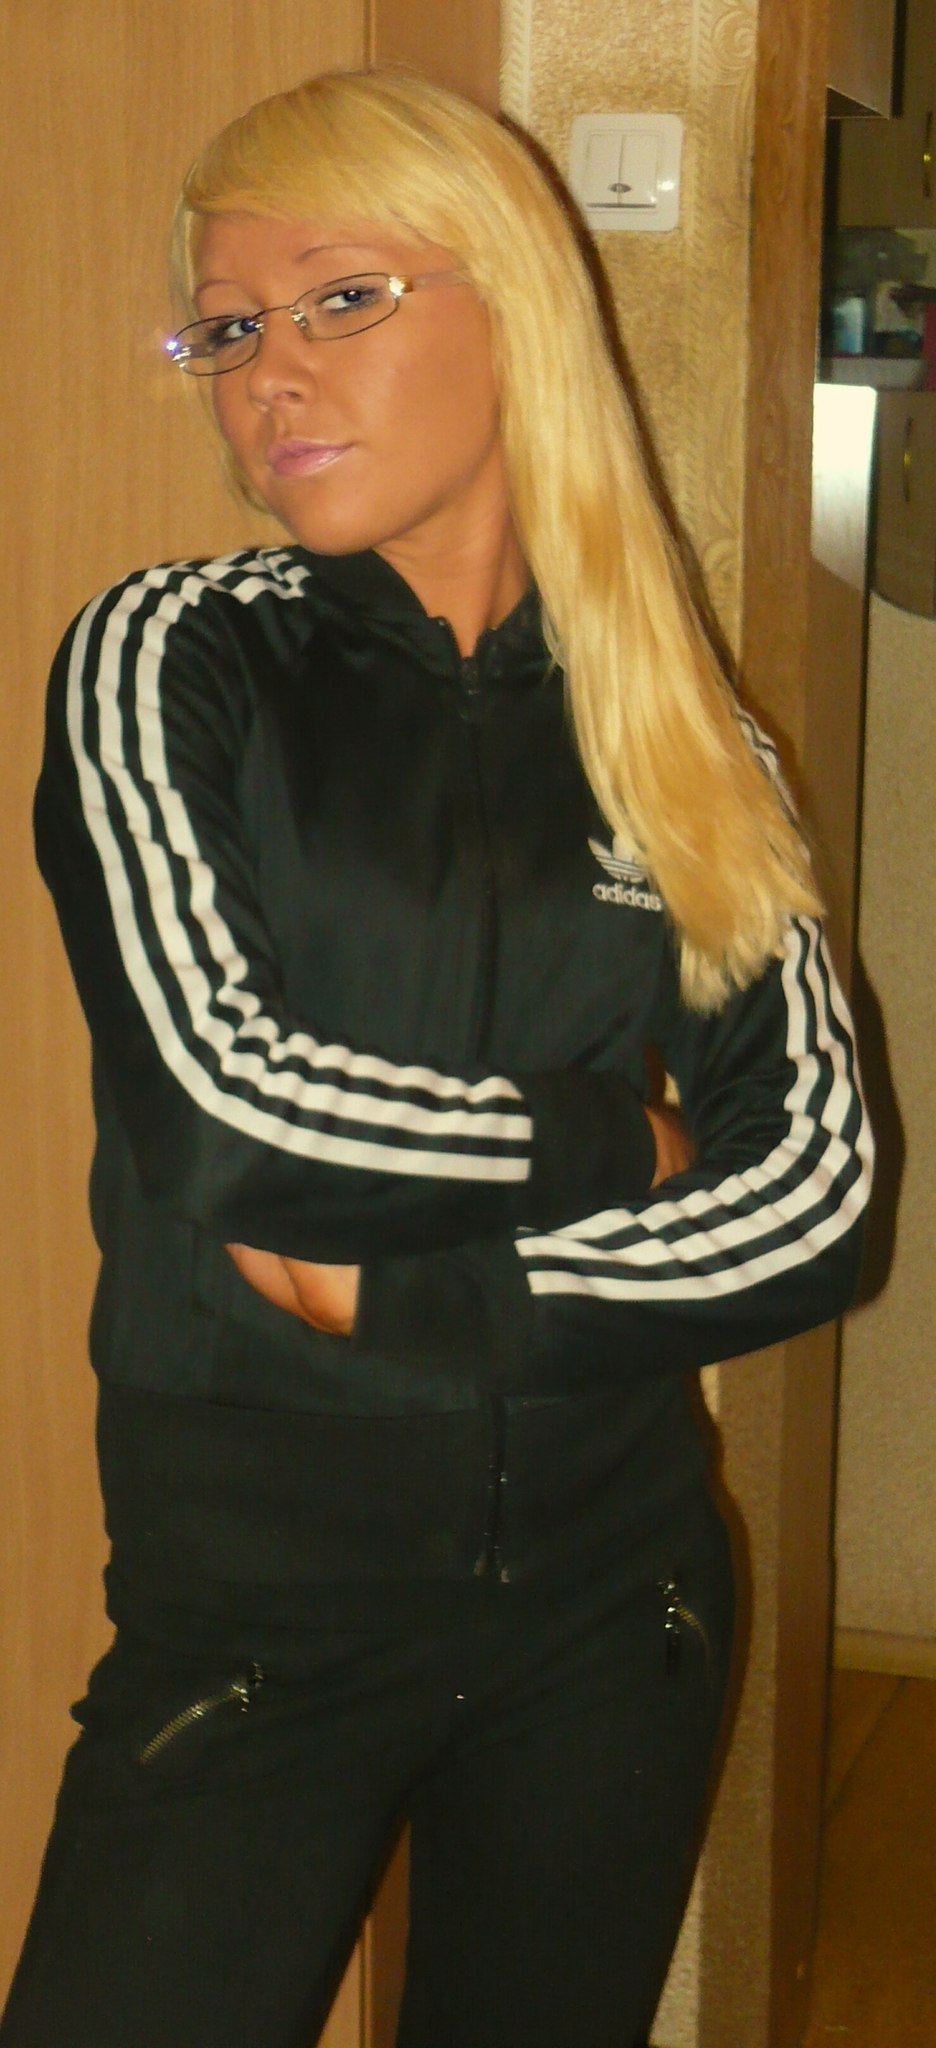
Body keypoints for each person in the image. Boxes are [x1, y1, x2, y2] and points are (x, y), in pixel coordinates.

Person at [1, 68, 872, 2048]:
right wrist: (613, 1135)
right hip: (256, 1621)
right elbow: (228, 1114)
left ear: (520, 307)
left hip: (617, 1614)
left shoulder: (688, 736)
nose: (269, 374)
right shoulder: (173, 658)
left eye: (340, 298)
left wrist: (417, 1293)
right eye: (227, 329)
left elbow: (821, 1194)